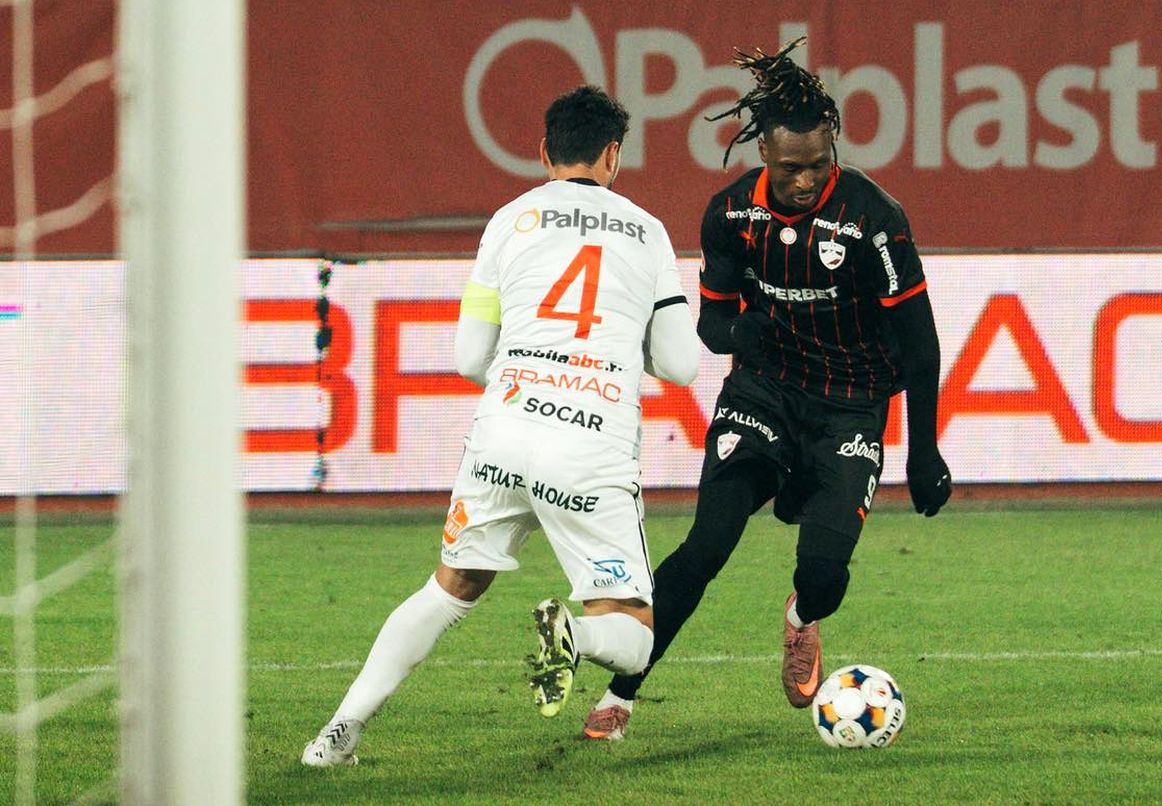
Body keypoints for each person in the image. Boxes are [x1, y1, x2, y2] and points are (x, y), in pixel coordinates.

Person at [301, 85, 700, 766]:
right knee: (634, 633)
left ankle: (337, 733)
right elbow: (681, 365)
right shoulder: (649, 232)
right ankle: (572, 632)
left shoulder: (509, 221)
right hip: (591, 445)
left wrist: (534, 375)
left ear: (544, 153)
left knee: (448, 589)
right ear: (613, 155)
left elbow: (467, 359)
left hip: (504, 435)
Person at [582, 39, 952, 742]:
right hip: (763, 395)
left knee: (823, 572)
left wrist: (925, 450)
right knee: (706, 546)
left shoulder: (874, 220)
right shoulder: (730, 215)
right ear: (764, 154)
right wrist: (739, 332)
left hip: (849, 404)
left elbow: (920, 343)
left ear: (832, 146)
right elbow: (712, 323)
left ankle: (801, 617)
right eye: (790, 168)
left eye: (818, 164)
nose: (806, 180)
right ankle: (620, 694)